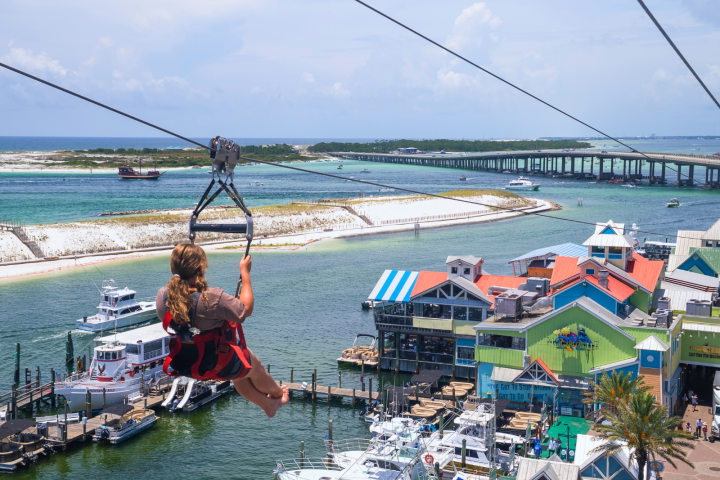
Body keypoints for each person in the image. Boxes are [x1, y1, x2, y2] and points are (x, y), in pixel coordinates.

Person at [156, 244, 289, 418]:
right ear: (201, 268)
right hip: (219, 363)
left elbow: (180, 314)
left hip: (185, 364)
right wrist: (245, 272)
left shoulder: (163, 296)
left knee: (240, 375)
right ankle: (278, 395)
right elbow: (245, 309)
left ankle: (268, 405)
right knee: (254, 366)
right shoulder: (211, 298)